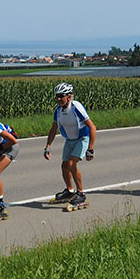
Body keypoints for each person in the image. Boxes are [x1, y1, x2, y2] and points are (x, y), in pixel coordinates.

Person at [44, 83, 96, 211]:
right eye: (57, 96)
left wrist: (90, 149)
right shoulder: (58, 110)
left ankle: (81, 194)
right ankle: (70, 191)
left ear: (69, 96)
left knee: (72, 163)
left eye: (61, 96)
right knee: (64, 165)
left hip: (82, 138)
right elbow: (54, 128)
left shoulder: (76, 107)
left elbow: (92, 127)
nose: (58, 99)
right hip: (70, 140)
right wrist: (48, 146)